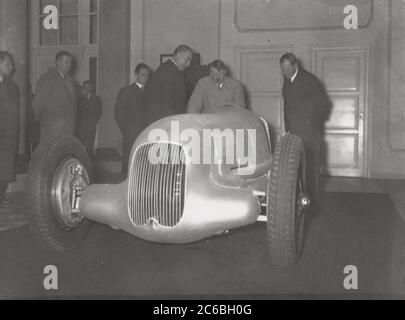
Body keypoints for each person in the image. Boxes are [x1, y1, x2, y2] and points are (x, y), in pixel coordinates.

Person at [280, 53, 332, 211]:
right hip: (294, 133)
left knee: (311, 171)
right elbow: (287, 106)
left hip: (309, 133)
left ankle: (313, 208)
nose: (285, 73)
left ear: (296, 66)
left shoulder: (310, 80)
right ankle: (298, 204)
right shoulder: (287, 81)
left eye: (288, 69)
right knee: (295, 169)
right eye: (282, 70)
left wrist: (313, 124)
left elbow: (324, 105)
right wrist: (287, 128)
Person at [143, 45, 193, 129]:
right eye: (187, 59)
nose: (188, 64)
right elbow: (167, 104)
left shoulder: (172, 70)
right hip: (165, 125)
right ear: (179, 55)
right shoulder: (167, 71)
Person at [33, 51, 77, 143]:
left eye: (70, 62)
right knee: (50, 154)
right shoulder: (47, 78)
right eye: (66, 62)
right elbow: (37, 103)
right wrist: (44, 121)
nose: (69, 65)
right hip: (52, 127)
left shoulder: (71, 80)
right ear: (58, 62)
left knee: (64, 154)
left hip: (68, 127)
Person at [115, 63, 150, 175]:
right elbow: (118, 114)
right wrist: (127, 131)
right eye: (142, 75)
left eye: (147, 75)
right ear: (136, 75)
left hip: (146, 133)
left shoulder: (150, 92)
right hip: (131, 134)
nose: (145, 78)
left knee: (144, 163)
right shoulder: (127, 91)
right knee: (129, 163)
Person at [0, 51, 19, 206]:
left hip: (8, 134)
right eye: (8, 64)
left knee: (5, 168)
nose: (12, 68)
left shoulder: (11, 85)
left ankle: (1, 195)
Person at [75, 80, 102, 159]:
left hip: (91, 126)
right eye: (85, 87)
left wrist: (94, 121)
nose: (87, 89)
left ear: (91, 88)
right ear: (83, 87)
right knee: (80, 145)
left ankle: (90, 163)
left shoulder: (96, 98)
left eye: (88, 87)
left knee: (90, 146)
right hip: (81, 127)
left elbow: (99, 112)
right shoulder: (79, 98)